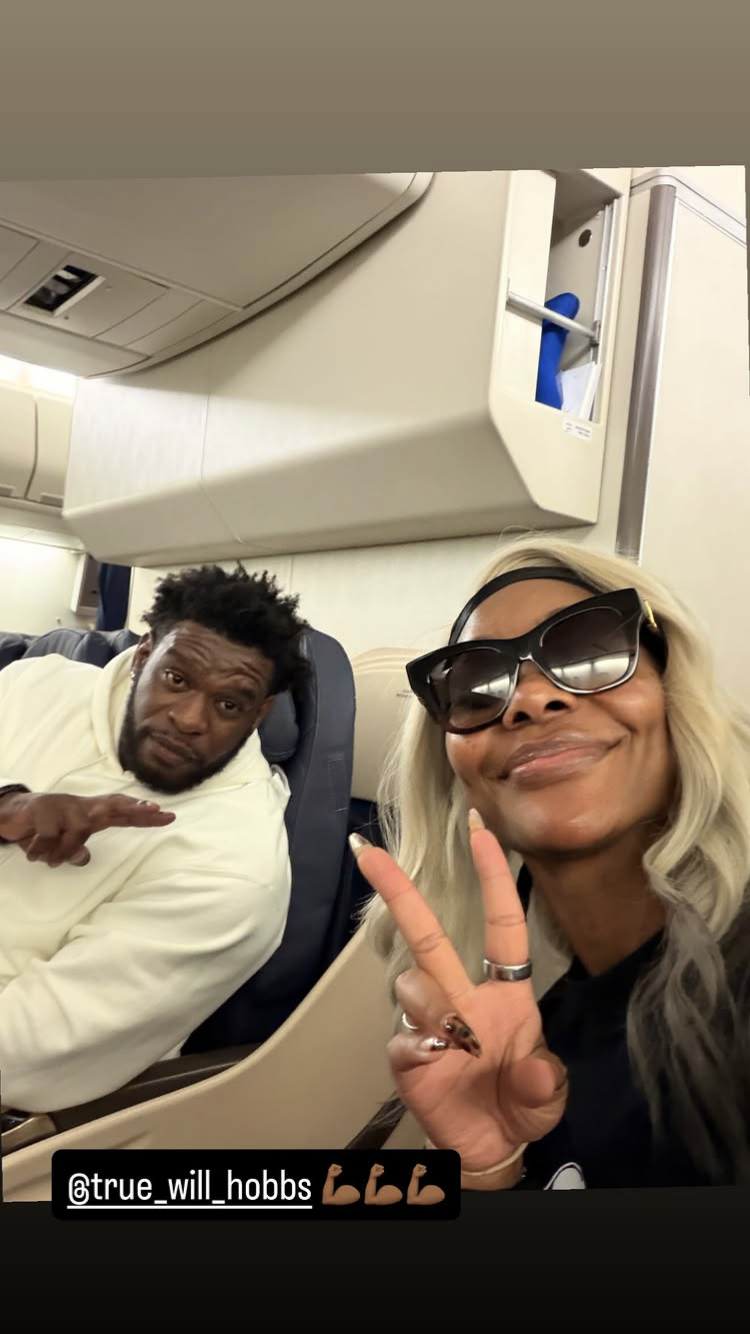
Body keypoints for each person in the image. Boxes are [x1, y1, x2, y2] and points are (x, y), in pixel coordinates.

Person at [354, 535, 750, 1190]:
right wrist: (488, 1168)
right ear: (457, 780)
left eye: (592, 653)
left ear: (675, 697)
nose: (530, 700)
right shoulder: (536, 1037)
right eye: (478, 687)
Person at [0, 564, 308, 1114]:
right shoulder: (31, 687)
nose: (189, 719)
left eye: (229, 704)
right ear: (144, 655)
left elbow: (21, 1058)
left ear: (260, 713)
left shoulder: (234, 871)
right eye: (177, 679)